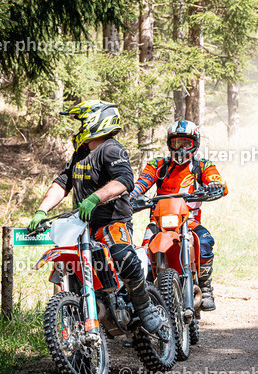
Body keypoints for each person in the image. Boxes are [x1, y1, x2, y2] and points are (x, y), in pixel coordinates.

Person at [27, 100, 163, 333]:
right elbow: (62, 183)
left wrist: (94, 199)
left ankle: (145, 307)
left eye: (82, 123)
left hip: (112, 221)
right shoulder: (80, 153)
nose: (79, 129)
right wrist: (42, 210)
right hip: (81, 224)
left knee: (122, 256)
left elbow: (124, 180)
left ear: (96, 121)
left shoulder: (111, 148)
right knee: (66, 262)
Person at [131, 120, 228, 311]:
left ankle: (206, 288)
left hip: (188, 221)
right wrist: (133, 195)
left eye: (186, 143)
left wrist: (215, 186)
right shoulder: (158, 164)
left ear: (195, 144)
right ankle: (141, 304)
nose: (181, 148)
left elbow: (218, 181)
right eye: (176, 143)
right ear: (169, 144)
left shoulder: (202, 166)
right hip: (158, 221)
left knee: (206, 241)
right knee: (142, 254)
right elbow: (142, 182)